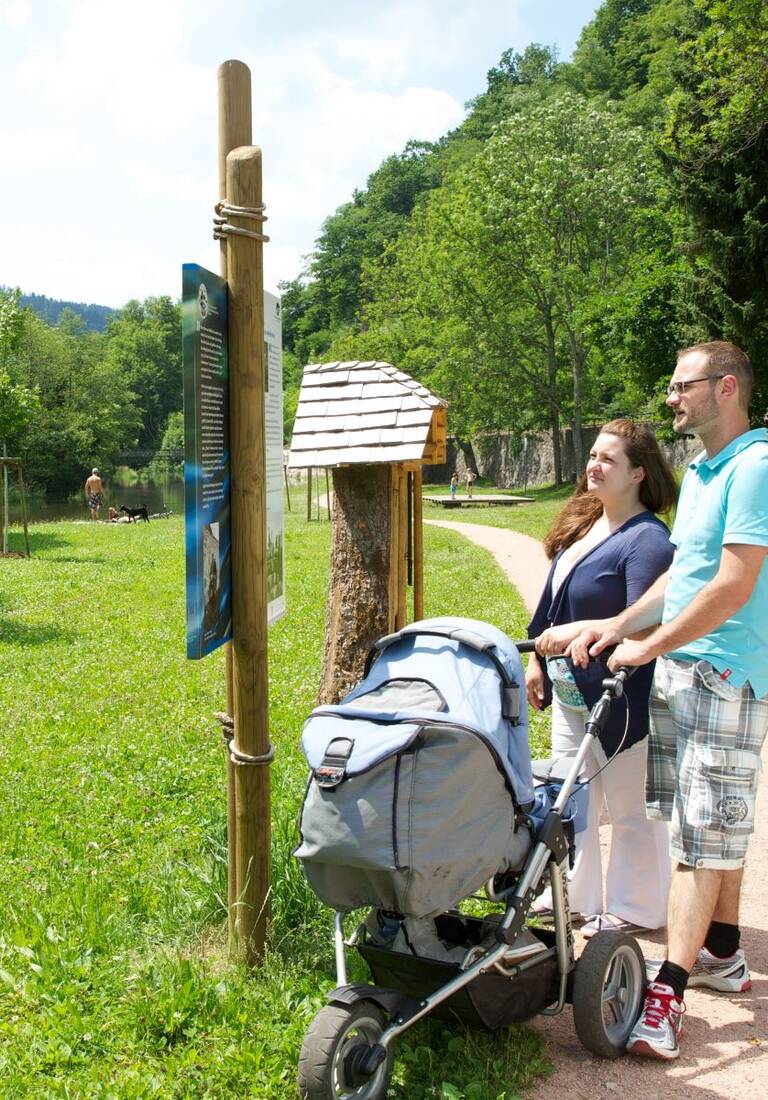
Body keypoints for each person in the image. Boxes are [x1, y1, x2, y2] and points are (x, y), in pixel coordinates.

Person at [569, 342, 768, 1061]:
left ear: (725, 388)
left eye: (681, 387)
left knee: (698, 837)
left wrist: (648, 648)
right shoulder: (707, 473)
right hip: (687, 669)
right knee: (706, 820)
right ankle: (720, 949)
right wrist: (617, 626)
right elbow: (683, 578)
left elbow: (733, 585)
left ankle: (669, 993)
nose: (671, 399)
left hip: (727, 676)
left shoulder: (754, 469)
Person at [527, 419, 677, 937]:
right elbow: (551, 601)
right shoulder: (587, 523)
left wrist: (578, 630)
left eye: (607, 459)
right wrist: (536, 660)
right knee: (573, 800)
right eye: (593, 455)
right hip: (572, 694)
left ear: (638, 473)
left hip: (622, 695)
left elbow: (647, 620)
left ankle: (638, 909)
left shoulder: (647, 541)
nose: (594, 465)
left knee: (631, 806)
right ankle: (575, 895)